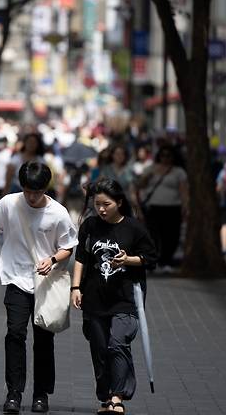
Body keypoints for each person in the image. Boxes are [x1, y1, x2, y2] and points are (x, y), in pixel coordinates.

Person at [0, 161, 78, 414]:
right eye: (28, 191)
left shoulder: (58, 213)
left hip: (46, 282)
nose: (32, 197)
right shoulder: (9, 203)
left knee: (44, 340)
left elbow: (68, 246)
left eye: (37, 191)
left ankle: (41, 394)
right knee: (15, 334)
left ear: (46, 187)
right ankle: (14, 393)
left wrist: (54, 259)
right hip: (15, 279)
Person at [71, 178, 157, 415]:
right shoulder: (89, 226)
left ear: (119, 202)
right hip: (94, 298)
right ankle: (107, 395)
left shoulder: (134, 227)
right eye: (98, 204)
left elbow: (150, 258)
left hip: (124, 298)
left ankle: (118, 398)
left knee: (117, 343)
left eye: (106, 204)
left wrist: (128, 260)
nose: (101, 209)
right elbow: (81, 257)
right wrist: (75, 288)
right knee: (99, 349)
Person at [137, 145, 188, 273]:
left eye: (168, 155)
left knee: (171, 236)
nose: (165, 158)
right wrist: (148, 176)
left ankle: (166, 261)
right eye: (163, 155)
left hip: (173, 208)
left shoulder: (179, 172)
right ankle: (153, 261)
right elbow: (140, 185)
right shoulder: (151, 169)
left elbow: (183, 191)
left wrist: (185, 206)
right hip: (154, 207)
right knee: (153, 236)